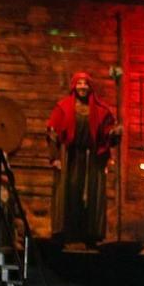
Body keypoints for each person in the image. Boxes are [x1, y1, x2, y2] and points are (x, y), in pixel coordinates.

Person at [45, 71, 119, 247]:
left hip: (92, 158)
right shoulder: (63, 107)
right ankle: (66, 233)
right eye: (79, 83)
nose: (83, 87)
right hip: (70, 156)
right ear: (74, 86)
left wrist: (114, 133)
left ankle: (90, 235)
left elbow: (108, 134)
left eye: (86, 84)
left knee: (92, 195)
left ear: (90, 87)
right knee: (69, 193)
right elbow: (52, 132)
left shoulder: (101, 110)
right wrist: (54, 157)